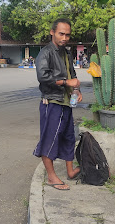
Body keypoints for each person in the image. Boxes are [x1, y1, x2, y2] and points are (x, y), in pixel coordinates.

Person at [33, 18, 82, 190]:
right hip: (52, 102)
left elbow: (72, 74)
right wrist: (65, 82)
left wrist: (76, 90)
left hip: (66, 102)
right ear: (52, 32)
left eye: (68, 35)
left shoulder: (66, 52)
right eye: (61, 34)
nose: (65, 38)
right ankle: (52, 177)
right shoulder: (45, 53)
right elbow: (43, 76)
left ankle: (70, 171)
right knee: (50, 139)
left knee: (69, 137)